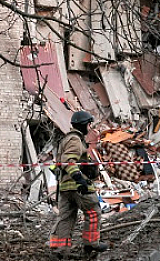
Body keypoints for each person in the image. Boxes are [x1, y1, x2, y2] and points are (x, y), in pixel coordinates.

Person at [49, 110, 108, 258]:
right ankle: (91, 244)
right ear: (85, 125)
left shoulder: (67, 139)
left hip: (65, 187)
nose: (90, 128)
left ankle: (59, 250)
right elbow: (69, 161)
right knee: (94, 211)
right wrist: (80, 179)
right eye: (89, 125)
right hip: (76, 185)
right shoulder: (75, 140)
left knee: (66, 218)